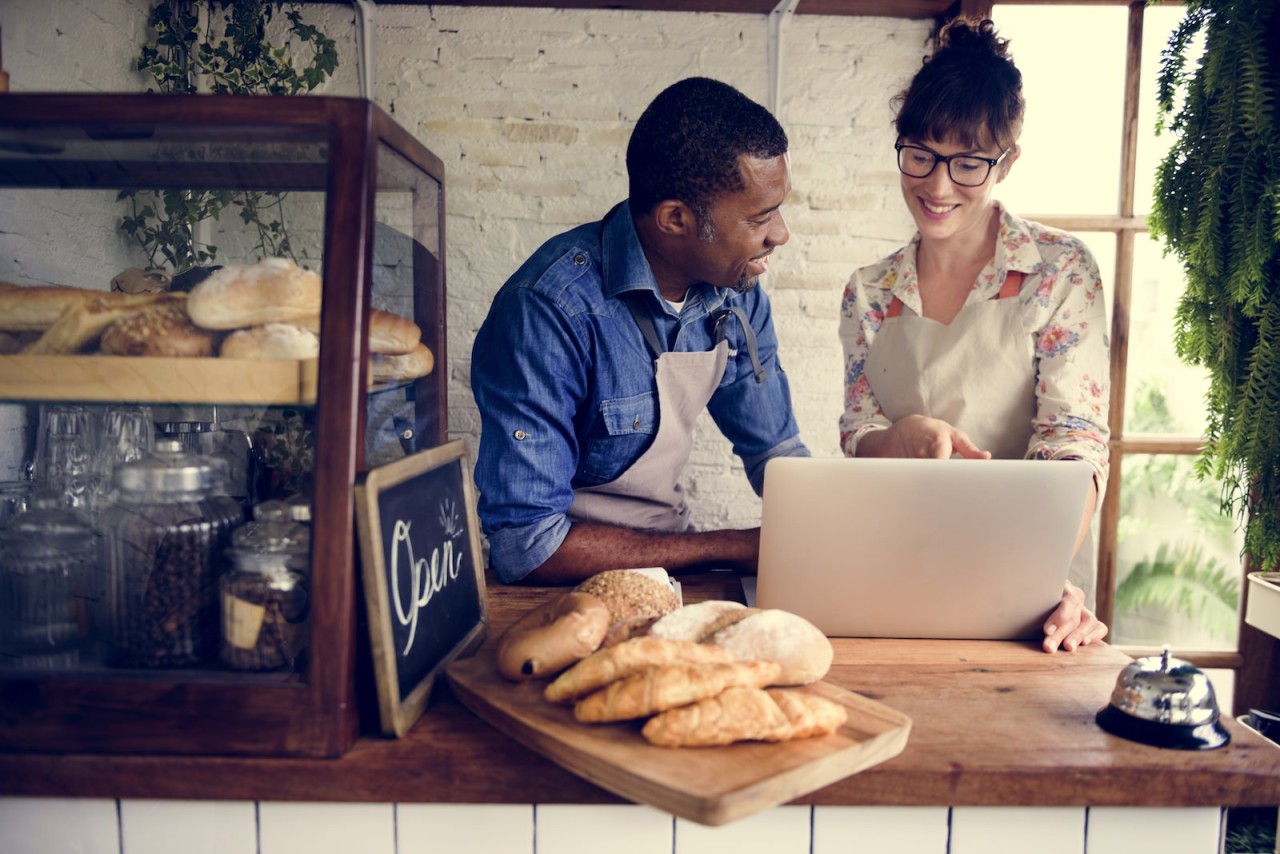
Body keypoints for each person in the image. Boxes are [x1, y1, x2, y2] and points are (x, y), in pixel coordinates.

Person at [838, 17, 1111, 654]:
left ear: (1007, 162)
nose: (936, 187)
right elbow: (858, 429)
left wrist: (1033, 574)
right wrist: (897, 440)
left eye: (967, 164)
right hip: (898, 565)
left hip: (1030, 588)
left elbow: (1074, 441)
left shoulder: (1061, 271)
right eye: (921, 156)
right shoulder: (869, 290)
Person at [472, 76, 809, 585]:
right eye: (760, 216)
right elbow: (528, 545)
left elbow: (776, 453)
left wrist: (830, 529)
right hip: (565, 585)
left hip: (672, 565)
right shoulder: (548, 309)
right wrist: (734, 547)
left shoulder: (734, 290)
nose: (780, 234)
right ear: (675, 218)